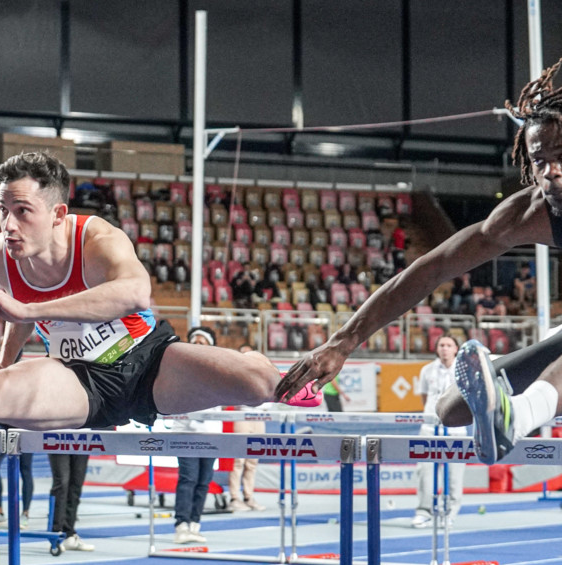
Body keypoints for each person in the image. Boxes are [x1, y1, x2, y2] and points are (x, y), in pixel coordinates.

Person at [0, 151, 321, 511]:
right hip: (77, 379)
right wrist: (4, 361)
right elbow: (19, 322)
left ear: (58, 213)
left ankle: (272, 370)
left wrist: (27, 310)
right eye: (3, 211)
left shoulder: (96, 239)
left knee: (260, 383)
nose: (8, 225)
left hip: (149, 362)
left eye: (22, 211)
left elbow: (137, 292)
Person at [277, 58, 562, 466]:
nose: (551, 172)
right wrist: (342, 342)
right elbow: (430, 268)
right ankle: (505, 407)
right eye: (539, 161)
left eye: (561, 156)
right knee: (453, 408)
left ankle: (520, 415)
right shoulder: (530, 213)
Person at [170, 326, 219, 544]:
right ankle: (181, 525)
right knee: (188, 478)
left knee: (204, 481)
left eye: (202, 342)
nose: (198, 345)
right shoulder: (181, 369)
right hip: (186, 434)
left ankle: (194, 525)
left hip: (210, 434)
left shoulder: (220, 370)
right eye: (194, 341)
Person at [412, 336, 467, 528]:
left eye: (449, 345)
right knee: (425, 472)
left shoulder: (464, 370)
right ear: (436, 349)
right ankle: (424, 512)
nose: (445, 348)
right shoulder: (427, 370)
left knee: (454, 475)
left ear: (456, 349)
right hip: (429, 429)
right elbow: (424, 396)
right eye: (441, 345)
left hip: (456, 430)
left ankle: (449, 513)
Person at [227, 344, 266, 513]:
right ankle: (234, 497)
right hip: (241, 417)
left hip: (259, 418)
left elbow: (269, 397)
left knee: (253, 461)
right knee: (238, 460)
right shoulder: (233, 375)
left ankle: (249, 496)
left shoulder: (263, 374)